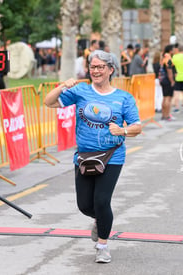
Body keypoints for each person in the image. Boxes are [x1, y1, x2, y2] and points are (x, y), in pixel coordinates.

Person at [44, 50, 142, 263]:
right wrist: (63, 86)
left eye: (100, 67)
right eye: (93, 67)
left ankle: (102, 246)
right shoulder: (80, 91)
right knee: (85, 205)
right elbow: (48, 102)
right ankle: (100, 220)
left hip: (112, 155)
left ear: (110, 70)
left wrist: (123, 131)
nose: (96, 71)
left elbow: (137, 126)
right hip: (85, 155)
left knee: (102, 200)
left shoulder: (123, 97)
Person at [159, 44, 175, 120]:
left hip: (163, 80)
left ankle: (163, 115)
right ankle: (167, 115)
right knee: (168, 98)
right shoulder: (168, 59)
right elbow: (169, 70)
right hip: (167, 80)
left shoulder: (163, 57)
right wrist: (172, 80)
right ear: (170, 50)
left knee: (165, 97)